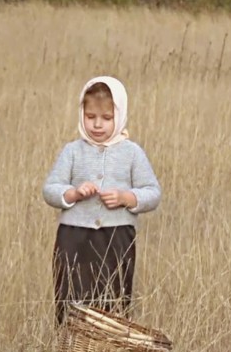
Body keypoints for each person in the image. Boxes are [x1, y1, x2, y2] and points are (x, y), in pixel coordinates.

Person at [41, 76, 162, 325]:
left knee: (113, 302)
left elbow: (153, 192)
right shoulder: (72, 151)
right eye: (90, 116)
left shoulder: (132, 153)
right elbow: (50, 189)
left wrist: (126, 198)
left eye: (107, 118)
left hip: (117, 237)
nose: (97, 125)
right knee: (71, 299)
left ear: (120, 116)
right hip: (73, 237)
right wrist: (72, 193)